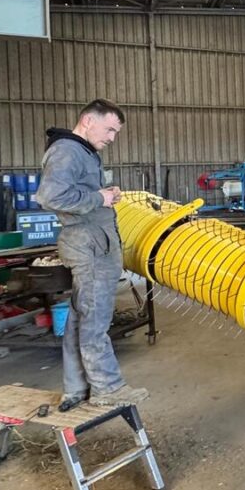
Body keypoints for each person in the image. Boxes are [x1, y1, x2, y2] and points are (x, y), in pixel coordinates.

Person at [36, 99, 149, 410]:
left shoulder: (81, 151)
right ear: (88, 120)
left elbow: (78, 194)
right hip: (89, 246)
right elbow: (51, 196)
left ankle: (76, 388)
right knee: (95, 319)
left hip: (91, 241)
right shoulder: (68, 150)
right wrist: (99, 197)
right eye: (110, 129)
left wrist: (104, 196)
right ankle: (107, 388)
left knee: (80, 317)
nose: (112, 137)